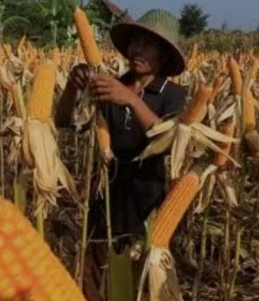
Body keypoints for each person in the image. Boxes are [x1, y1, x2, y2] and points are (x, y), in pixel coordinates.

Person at [55, 19, 188, 256]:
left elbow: (170, 141)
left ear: (164, 56)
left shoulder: (173, 95)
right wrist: (72, 87)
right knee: (97, 274)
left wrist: (131, 100)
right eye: (135, 42)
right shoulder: (110, 85)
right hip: (104, 199)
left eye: (148, 44)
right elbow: (64, 122)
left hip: (146, 205)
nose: (137, 50)